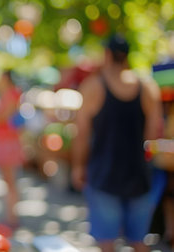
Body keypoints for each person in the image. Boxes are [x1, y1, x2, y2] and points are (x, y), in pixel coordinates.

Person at [72, 34, 163, 252]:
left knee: (107, 243)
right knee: (140, 241)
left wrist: (77, 167)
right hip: (139, 175)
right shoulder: (147, 87)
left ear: (108, 54)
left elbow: (81, 134)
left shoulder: (93, 86)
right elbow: (153, 134)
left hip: (104, 175)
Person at [0, 70, 24, 226]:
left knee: (10, 182)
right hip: (3, 141)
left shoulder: (11, 94)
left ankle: (12, 217)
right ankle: (10, 215)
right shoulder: (7, 94)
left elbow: (4, 116)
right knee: (8, 181)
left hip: (6, 143)